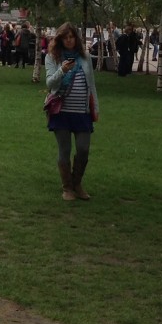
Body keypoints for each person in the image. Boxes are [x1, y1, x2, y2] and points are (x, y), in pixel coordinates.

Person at [45, 22, 99, 201]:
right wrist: (62, 70)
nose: (69, 40)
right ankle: (67, 187)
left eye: (72, 37)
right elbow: (50, 84)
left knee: (83, 149)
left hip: (82, 112)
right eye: (65, 37)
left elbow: (91, 85)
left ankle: (77, 183)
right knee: (65, 150)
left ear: (76, 38)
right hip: (61, 112)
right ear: (60, 39)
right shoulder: (52, 58)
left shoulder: (85, 58)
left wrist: (95, 108)